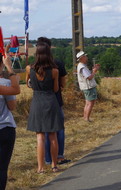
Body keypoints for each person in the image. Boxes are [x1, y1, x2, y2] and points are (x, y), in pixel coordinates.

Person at [26, 42, 64, 173]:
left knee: (40, 137)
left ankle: (40, 168)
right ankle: (54, 165)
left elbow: (28, 85)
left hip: (37, 102)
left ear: (36, 54)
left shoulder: (29, 69)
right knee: (52, 135)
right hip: (51, 102)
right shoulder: (54, 71)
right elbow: (56, 89)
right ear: (49, 54)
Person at [36, 37, 70, 166]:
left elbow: (30, 84)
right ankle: (59, 157)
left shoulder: (33, 67)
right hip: (55, 100)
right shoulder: (57, 64)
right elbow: (62, 85)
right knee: (58, 130)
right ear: (49, 48)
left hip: (39, 102)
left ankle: (47, 159)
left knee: (44, 132)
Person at [0, 52, 20, 190]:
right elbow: (12, 105)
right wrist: (10, 68)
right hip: (4, 128)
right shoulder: (4, 83)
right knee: (1, 169)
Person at [76, 51, 100, 122]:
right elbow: (89, 77)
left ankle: (85, 117)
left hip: (86, 87)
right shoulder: (82, 67)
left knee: (87, 103)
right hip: (88, 87)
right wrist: (94, 71)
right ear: (82, 58)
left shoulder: (81, 65)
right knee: (90, 103)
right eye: (85, 56)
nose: (86, 57)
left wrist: (92, 70)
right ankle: (87, 118)